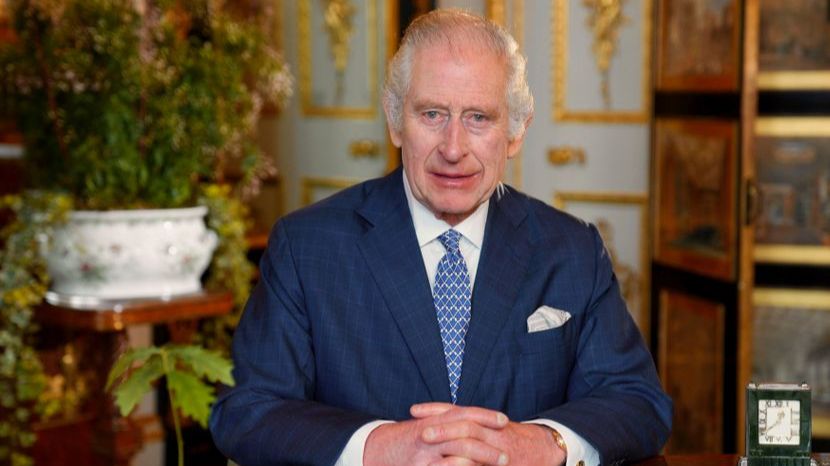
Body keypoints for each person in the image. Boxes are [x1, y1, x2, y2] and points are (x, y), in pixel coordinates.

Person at [210, 9, 671, 466]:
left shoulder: (572, 249)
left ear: (515, 133)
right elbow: (247, 411)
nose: (453, 148)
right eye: (432, 114)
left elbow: (638, 401)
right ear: (395, 122)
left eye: (479, 118)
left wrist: (543, 443)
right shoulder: (306, 247)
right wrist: (381, 447)